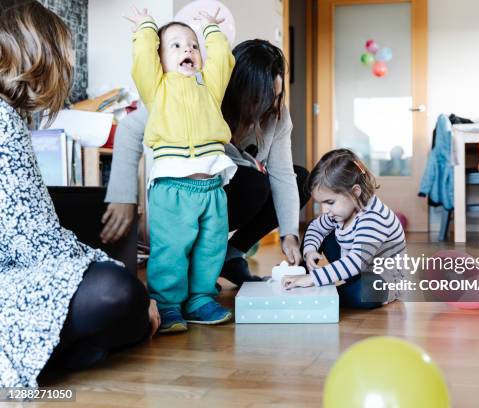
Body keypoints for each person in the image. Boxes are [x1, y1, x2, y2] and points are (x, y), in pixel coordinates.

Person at [0, 1, 157, 387]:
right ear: (38, 54)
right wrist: (119, 272)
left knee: (119, 291)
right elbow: (38, 244)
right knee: (118, 292)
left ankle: (64, 350)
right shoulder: (4, 121)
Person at [102, 39, 309, 285]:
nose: (269, 107)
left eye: (274, 97)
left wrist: (289, 235)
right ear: (236, 88)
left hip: (227, 195)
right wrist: (123, 197)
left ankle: (230, 258)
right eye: (260, 99)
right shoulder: (196, 90)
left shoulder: (276, 113)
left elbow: (283, 174)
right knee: (252, 183)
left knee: (301, 179)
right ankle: (192, 263)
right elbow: (129, 128)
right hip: (186, 196)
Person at [124, 6, 236, 332]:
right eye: (175, 45)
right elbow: (142, 61)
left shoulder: (210, 88)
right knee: (171, 250)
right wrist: (146, 28)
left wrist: (212, 31)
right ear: (160, 60)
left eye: (193, 45)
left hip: (212, 188)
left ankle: (199, 298)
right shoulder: (157, 88)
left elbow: (223, 62)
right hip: (171, 188)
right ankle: (169, 302)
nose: (187, 49)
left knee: (210, 248)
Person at [282, 149, 406, 309]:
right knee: (319, 229)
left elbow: (356, 262)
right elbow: (315, 227)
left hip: (380, 281)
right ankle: (302, 275)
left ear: (355, 192)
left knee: (365, 291)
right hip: (355, 272)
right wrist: (310, 250)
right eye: (321, 204)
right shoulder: (340, 211)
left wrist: (315, 279)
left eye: (330, 202)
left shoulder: (373, 217)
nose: (324, 210)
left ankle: (324, 292)